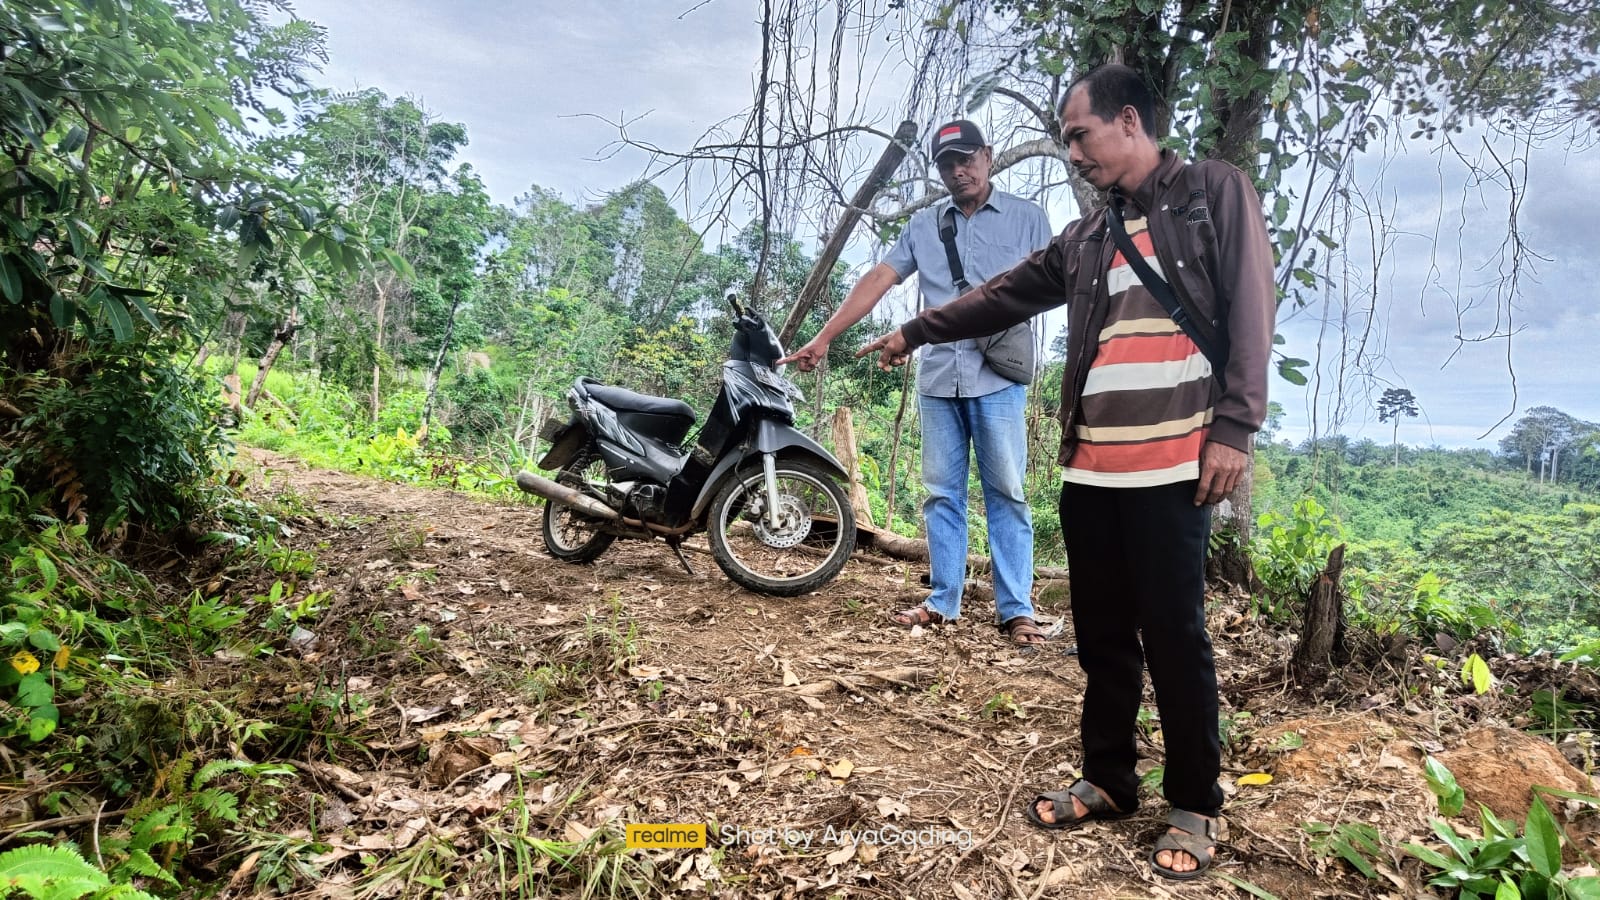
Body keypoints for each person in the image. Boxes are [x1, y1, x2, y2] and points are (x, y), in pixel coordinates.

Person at [860, 64, 1276, 880]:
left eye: (1079, 135)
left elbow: (1253, 303)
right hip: (1092, 469)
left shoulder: (1211, 194)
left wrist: (1235, 423)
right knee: (1103, 636)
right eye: (1065, 141)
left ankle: (1193, 801)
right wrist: (917, 330)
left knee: (1176, 634)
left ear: (1129, 120)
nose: (1072, 154)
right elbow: (1005, 294)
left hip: (1173, 464)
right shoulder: (1087, 235)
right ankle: (1110, 777)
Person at [778, 119, 1051, 647]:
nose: (958, 170)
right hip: (938, 377)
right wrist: (825, 337)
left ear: (988, 157)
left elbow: (1053, 283)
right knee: (940, 494)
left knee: (1007, 494)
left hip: (998, 377)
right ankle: (943, 600)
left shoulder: (1027, 219)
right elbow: (880, 277)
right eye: (948, 163)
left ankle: (1017, 610)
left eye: (967, 158)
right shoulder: (925, 225)